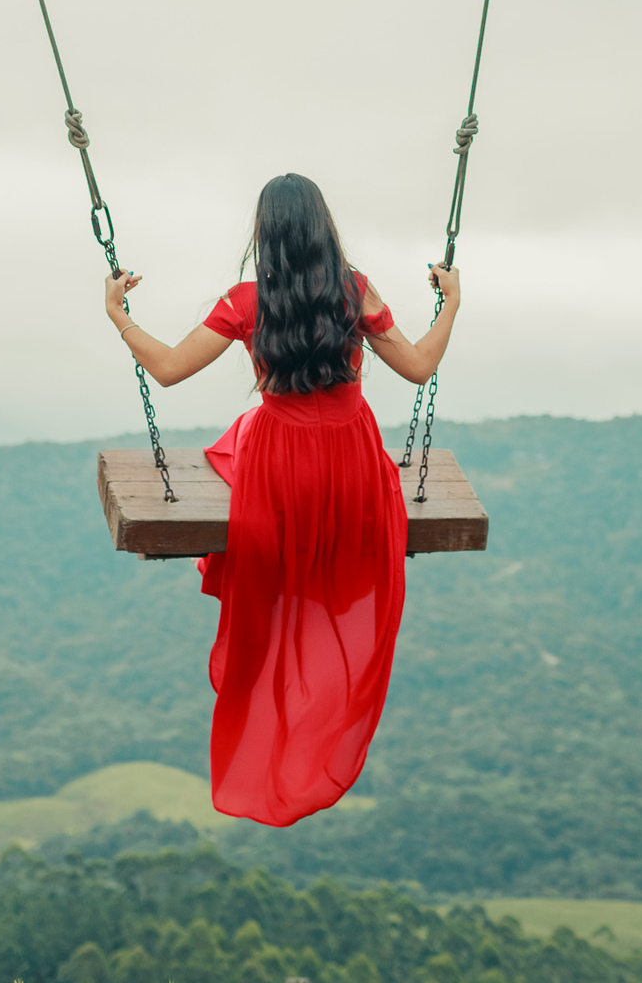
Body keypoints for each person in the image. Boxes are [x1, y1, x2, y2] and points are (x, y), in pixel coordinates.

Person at [103, 172, 460, 827]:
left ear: (264, 235)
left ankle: (275, 704)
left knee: (240, 439)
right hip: (353, 457)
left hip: (278, 464)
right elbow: (416, 368)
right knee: (254, 445)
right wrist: (452, 305)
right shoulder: (352, 291)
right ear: (324, 230)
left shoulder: (247, 300)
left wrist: (120, 317)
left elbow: (170, 369)